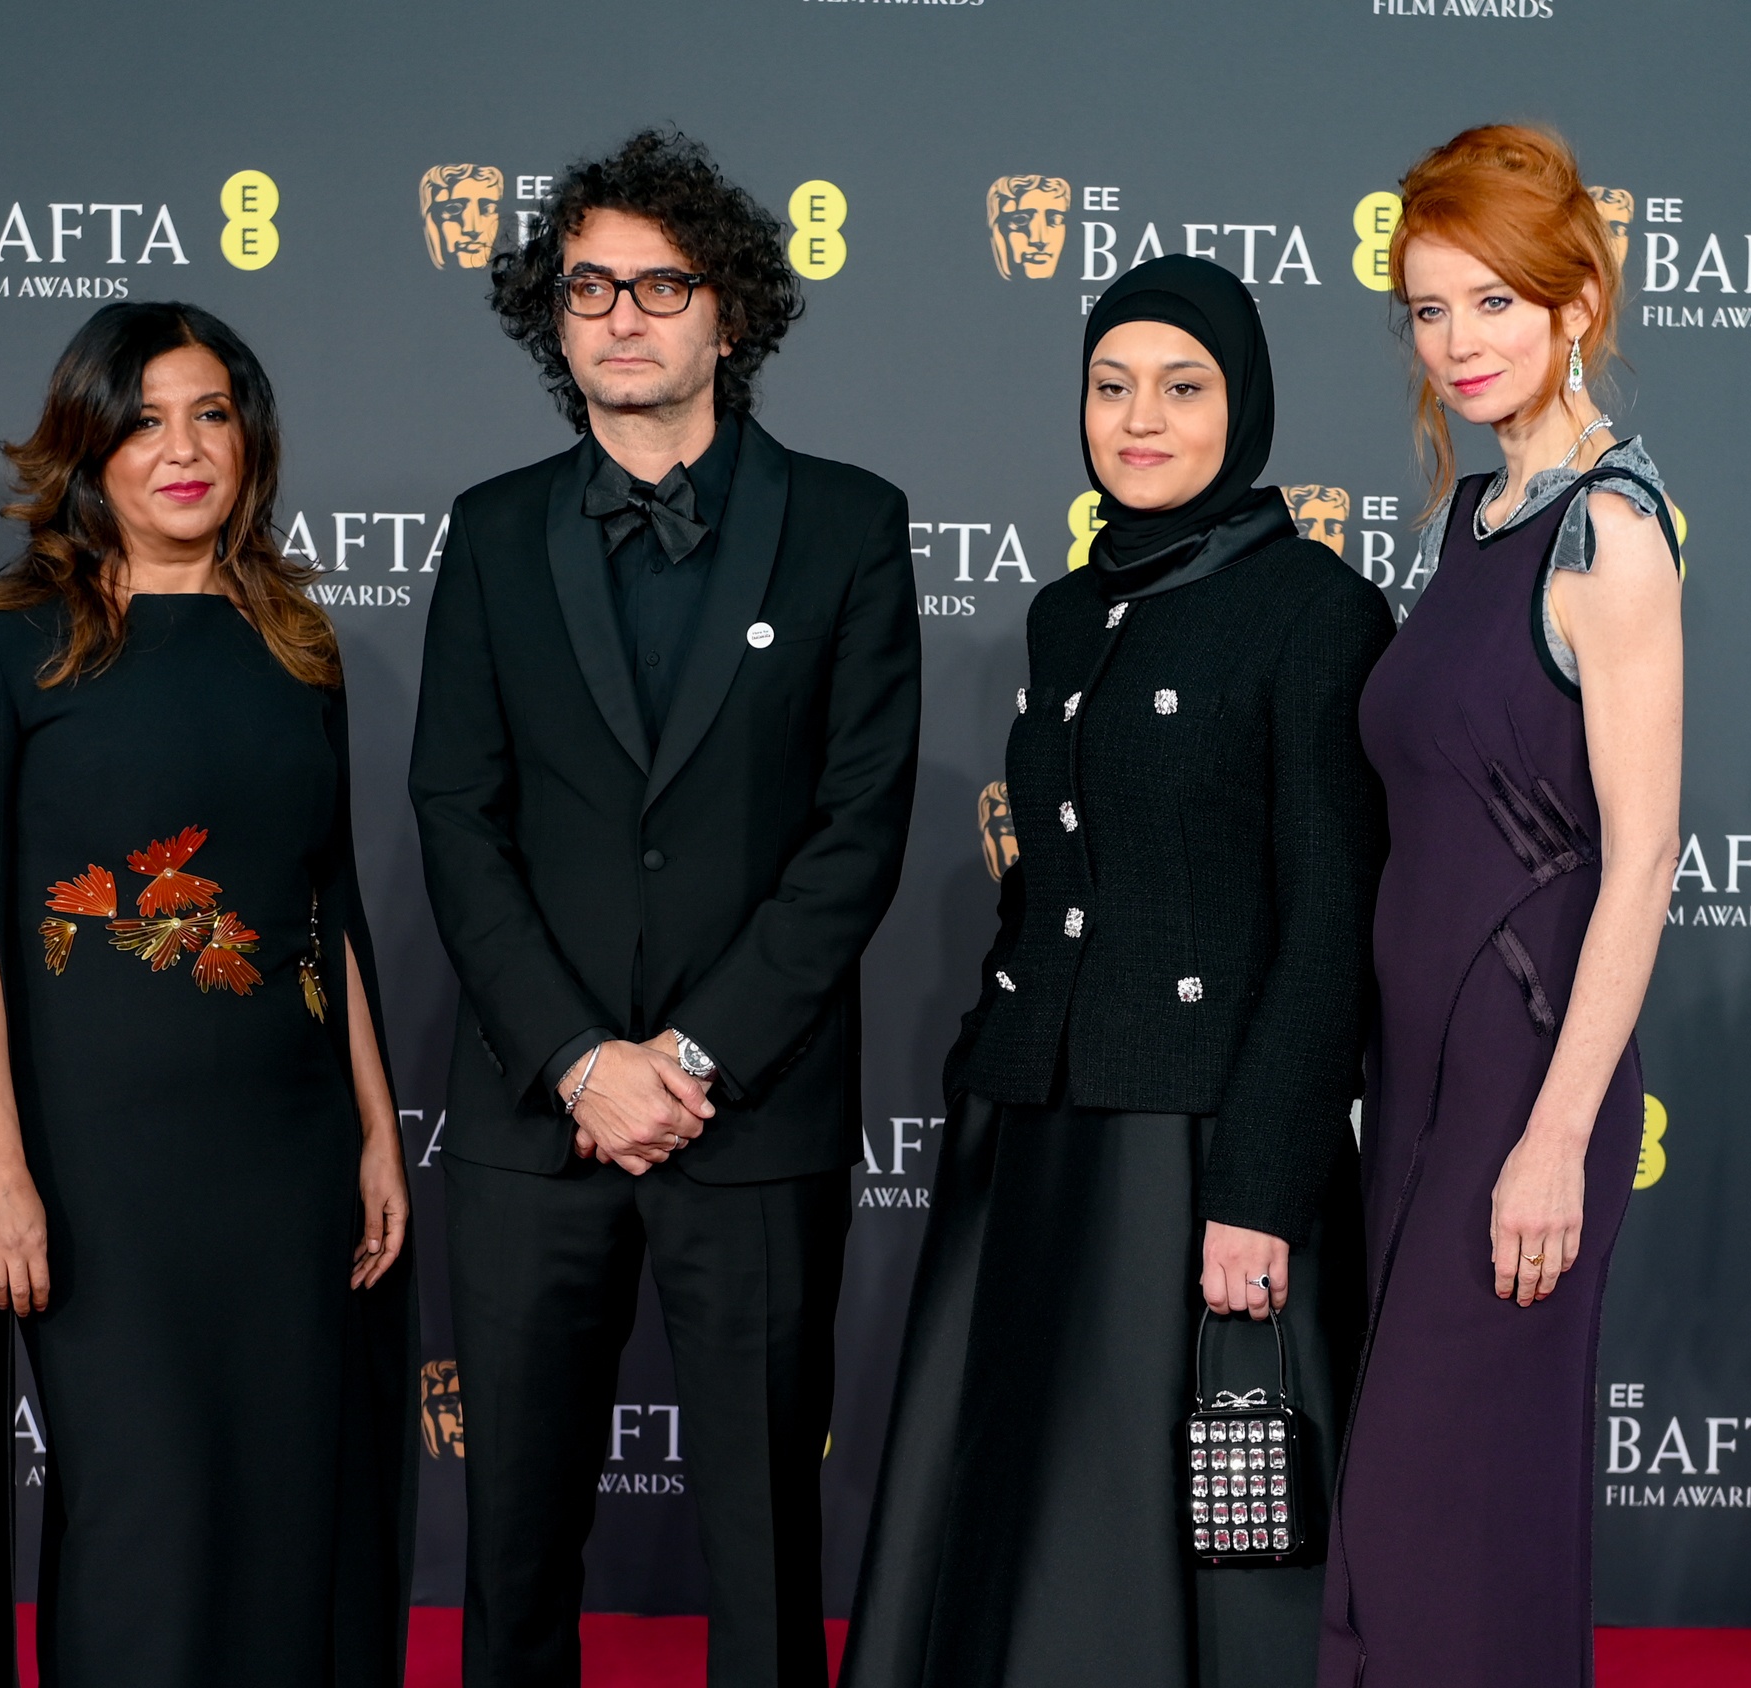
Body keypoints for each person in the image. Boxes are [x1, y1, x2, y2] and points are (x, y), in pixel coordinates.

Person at [409, 128, 919, 1688]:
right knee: (512, 1553)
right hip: (529, 1120)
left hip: (747, 1124)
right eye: (589, 289)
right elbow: (456, 815)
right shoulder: (494, 532)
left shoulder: (847, 524)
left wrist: (689, 1061)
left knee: (766, 1551)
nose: (622, 316)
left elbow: (856, 831)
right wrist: (579, 1057)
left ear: (730, 312)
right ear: (552, 322)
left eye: (660, 284)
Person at [843, 255, 1390, 1688]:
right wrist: (992, 1081)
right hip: (1035, 1130)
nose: (1139, 419)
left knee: (1180, 1539)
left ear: (1245, 406)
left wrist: (1260, 1194)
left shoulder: (1315, 611)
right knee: (1021, 1523)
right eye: (1111, 385)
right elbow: (1057, 886)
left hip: (1198, 1151)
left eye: (1182, 386)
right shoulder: (1067, 611)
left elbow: (1329, 930)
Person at [0, 301, 416, 1688]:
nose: (183, 450)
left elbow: (330, 910)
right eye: (143, 421)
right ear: (88, 449)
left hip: (287, 1154)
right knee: (145, 1512)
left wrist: (377, 1130)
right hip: (96, 1174)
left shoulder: (299, 646)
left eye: (211, 416)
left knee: (283, 1508)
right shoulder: (2, 646)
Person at [1319, 124, 1682, 1688]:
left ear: (1575, 299)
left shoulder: (1611, 532)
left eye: (1495, 303)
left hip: (1524, 1080)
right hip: (1415, 1075)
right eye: (1428, 308)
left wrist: (1550, 1137)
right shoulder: (1474, 513)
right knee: (1403, 1516)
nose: (1459, 343)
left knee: (1446, 1510)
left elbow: (1643, 855)